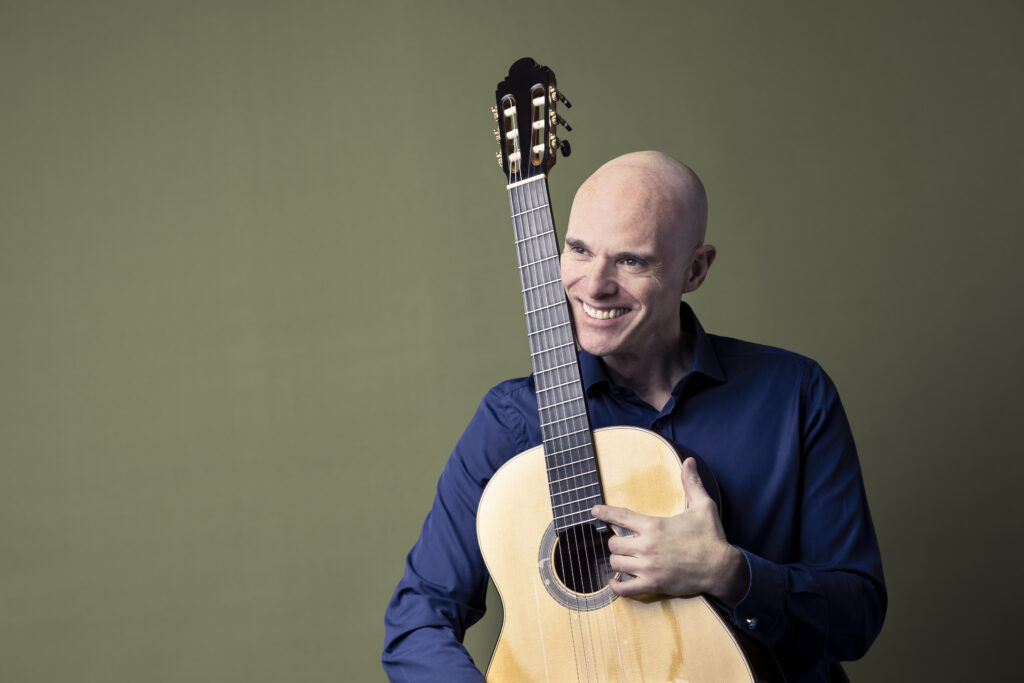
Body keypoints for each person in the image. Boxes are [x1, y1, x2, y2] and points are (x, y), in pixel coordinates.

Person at [382, 151, 886, 682]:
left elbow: (856, 618)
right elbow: (418, 620)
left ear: (695, 269)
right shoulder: (512, 422)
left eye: (631, 261)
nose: (593, 285)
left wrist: (729, 573)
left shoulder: (792, 393)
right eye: (579, 249)